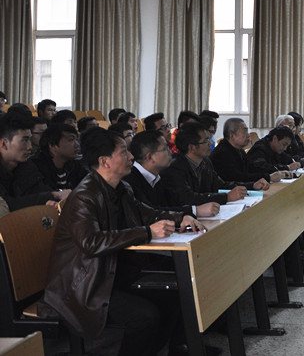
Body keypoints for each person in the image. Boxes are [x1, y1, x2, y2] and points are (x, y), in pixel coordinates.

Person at [40, 127, 204, 355]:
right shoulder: (84, 196)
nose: (131, 157)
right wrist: (146, 232)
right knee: (144, 316)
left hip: (110, 272)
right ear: (104, 161)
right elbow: (91, 243)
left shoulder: (121, 188)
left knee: (174, 293)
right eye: (123, 152)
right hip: (84, 286)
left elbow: (147, 213)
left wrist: (181, 218)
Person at [160, 122, 268, 207]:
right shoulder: (174, 167)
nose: (211, 143)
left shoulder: (205, 162)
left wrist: (252, 185)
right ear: (192, 147)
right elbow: (188, 198)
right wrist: (226, 197)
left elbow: (220, 185)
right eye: (206, 141)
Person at [124, 130, 220, 219]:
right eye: (165, 149)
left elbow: (171, 205)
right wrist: (195, 211)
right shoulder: (130, 181)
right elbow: (151, 212)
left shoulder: (157, 176)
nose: (170, 152)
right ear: (150, 157)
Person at [0, 113, 69, 211]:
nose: (30, 147)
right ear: (4, 144)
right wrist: (52, 195)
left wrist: (54, 198)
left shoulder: (26, 165)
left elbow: (40, 191)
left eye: (30, 140)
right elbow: (5, 205)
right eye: (24, 141)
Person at [210, 118, 288, 184]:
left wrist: (276, 172)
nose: (248, 135)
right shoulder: (221, 153)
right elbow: (238, 178)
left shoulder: (239, 150)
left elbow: (251, 168)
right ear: (232, 135)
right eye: (244, 132)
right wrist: (268, 177)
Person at [31, 123, 87, 191]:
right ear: (53, 145)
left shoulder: (75, 166)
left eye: (77, 140)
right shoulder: (35, 168)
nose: (77, 145)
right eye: (71, 140)